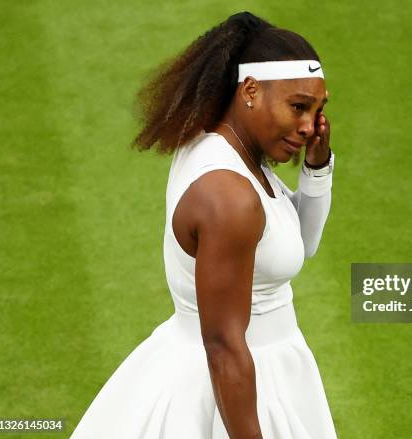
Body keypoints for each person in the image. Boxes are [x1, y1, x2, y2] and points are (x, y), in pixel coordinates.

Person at [70, 11, 338, 439]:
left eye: (318, 110)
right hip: (235, 389)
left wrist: (318, 167)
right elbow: (225, 345)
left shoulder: (227, 148)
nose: (309, 126)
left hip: (259, 372)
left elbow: (301, 243)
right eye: (298, 107)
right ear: (250, 90)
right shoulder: (228, 197)